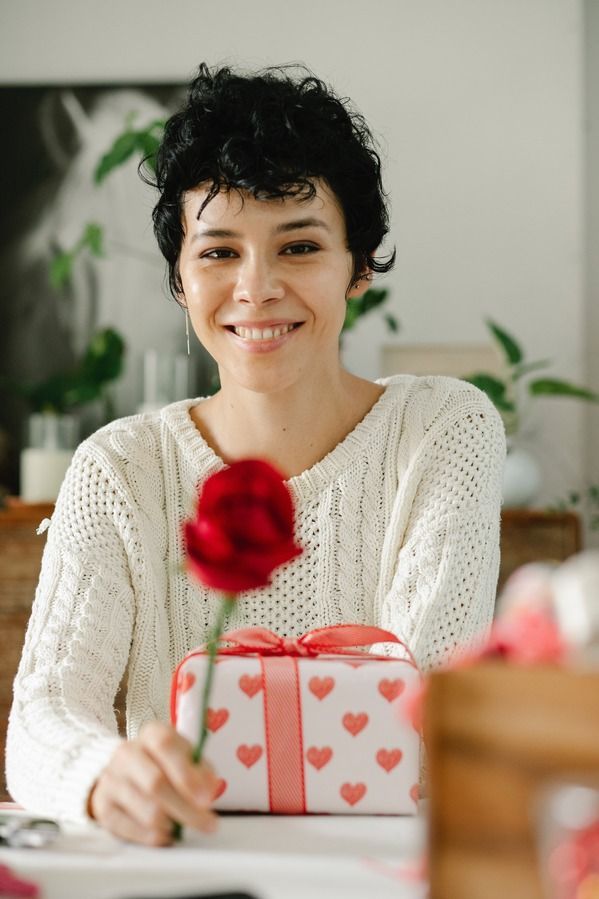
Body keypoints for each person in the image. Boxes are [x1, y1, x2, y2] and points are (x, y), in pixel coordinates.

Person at [6, 62, 505, 846]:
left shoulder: (441, 429)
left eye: (299, 246)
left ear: (359, 268)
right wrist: (103, 774)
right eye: (217, 253)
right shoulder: (116, 467)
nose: (255, 287)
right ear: (178, 278)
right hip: (176, 870)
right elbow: (43, 714)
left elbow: (429, 704)